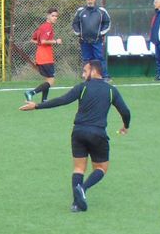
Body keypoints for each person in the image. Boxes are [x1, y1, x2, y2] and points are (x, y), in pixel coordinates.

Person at [20, 60, 131, 212]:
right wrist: (125, 126)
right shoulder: (111, 90)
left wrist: (37, 106)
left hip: (78, 132)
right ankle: (83, 188)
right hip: (97, 134)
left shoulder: (82, 87)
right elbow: (125, 111)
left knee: (79, 168)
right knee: (101, 168)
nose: (83, 75)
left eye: (85, 71)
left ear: (94, 71)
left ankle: (76, 204)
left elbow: (62, 100)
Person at [25, 8, 62, 103]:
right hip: (45, 57)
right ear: (48, 16)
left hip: (40, 57)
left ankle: (44, 100)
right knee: (51, 81)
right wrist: (56, 41)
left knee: (48, 79)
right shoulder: (47, 27)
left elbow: (33, 39)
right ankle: (31, 93)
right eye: (53, 16)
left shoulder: (42, 27)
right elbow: (43, 41)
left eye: (56, 16)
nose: (55, 18)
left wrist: (41, 43)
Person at [72, 0, 111, 79]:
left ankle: (104, 76)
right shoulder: (80, 11)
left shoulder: (101, 11)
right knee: (86, 59)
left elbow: (107, 23)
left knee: (99, 58)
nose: (90, 1)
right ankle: (87, 76)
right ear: (86, 0)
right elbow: (75, 23)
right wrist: (79, 33)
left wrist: (100, 33)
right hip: (84, 41)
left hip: (97, 40)